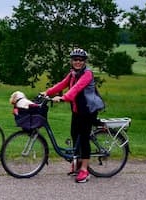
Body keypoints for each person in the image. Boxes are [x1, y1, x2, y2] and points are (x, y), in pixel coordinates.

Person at [41, 48, 105, 183]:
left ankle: (84, 170)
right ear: (71, 61)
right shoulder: (72, 74)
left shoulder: (87, 74)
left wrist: (63, 98)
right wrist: (47, 92)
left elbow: (76, 89)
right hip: (77, 110)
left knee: (83, 139)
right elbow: (62, 84)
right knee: (74, 134)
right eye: (75, 59)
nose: (77, 62)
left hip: (88, 110)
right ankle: (78, 163)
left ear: (84, 61)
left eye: (80, 60)